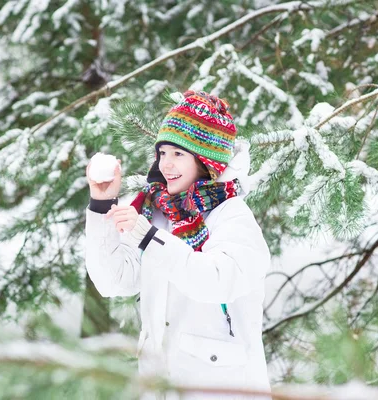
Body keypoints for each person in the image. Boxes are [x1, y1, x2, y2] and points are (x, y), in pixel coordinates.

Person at [85, 90, 271, 400]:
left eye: (179, 154)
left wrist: (148, 237)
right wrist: (102, 205)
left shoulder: (233, 216)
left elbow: (215, 282)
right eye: (163, 153)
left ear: (205, 160)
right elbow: (114, 280)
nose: (166, 164)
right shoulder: (155, 211)